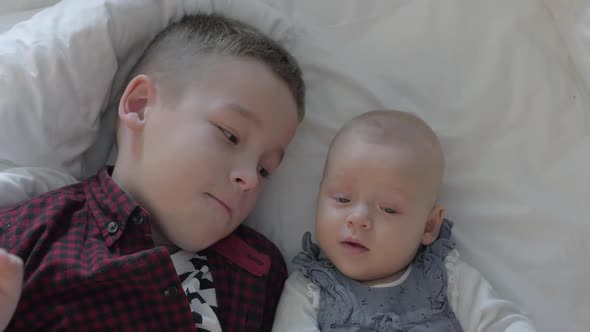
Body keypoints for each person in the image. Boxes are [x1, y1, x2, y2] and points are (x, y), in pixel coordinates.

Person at [0, 12, 305, 331]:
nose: (251, 179)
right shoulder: (29, 237)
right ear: (140, 105)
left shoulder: (261, 269)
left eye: (265, 169)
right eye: (230, 135)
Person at [272, 110, 535, 331]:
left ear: (429, 226)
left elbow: (504, 324)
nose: (358, 219)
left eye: (388, 209)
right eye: (342, 199)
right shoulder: (309, 292)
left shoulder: (446, 279)